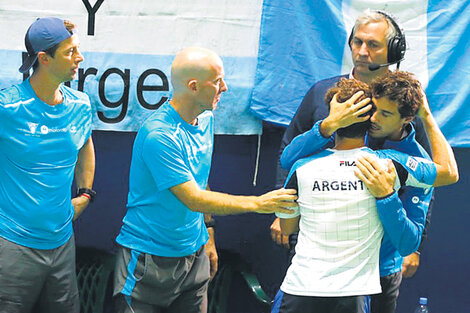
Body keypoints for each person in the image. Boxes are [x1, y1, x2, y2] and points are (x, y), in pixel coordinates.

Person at [113, 47, 298, 313]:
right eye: (218, 81)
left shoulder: (207, 119)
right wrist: (259, 203)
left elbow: (200, 181)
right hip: (147, 261)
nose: (225, 87)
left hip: (194, 256)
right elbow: (193, 198)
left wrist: (208, 236)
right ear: (193, 86)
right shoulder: (159, 135)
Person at [278, 71, 458, 313]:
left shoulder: (412, 161)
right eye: (372, 108)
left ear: (407, 118)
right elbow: (288, 159)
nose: (372, 118)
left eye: (384, 113)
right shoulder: (354, 136)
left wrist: (387, 197)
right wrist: (330, 123)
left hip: (379, 272)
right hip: (316, 279)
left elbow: (409, 239)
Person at [270, 9, 430, 278]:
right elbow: (289, 151)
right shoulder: (322, 92)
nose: (362, 51)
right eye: (358, 41)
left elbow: (426, 173)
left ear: (393, 50)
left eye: (373, 44)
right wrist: (282, 209)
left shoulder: (403, 100)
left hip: (381, 247)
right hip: (319, 238)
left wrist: (414, 246)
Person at [0, 17, 95, 313]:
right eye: (70, 52)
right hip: (13, 245)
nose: (79, 58)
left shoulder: (80, 105)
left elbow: (85, 148)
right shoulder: (7, 108)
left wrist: (86, 193)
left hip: (62, 244)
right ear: (43, 58)